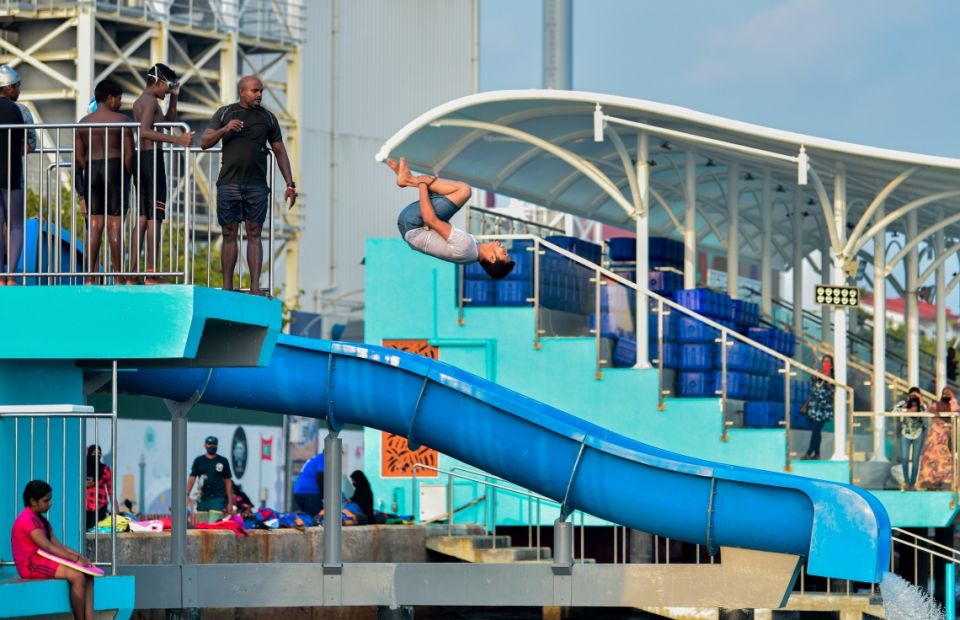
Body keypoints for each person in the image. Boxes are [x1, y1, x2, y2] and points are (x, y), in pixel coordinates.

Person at [200, 75, 296, 296]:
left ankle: (255, 288)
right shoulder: (225, 113)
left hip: (256, 186)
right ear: (242, 91)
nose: (259, 94)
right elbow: (204, 142)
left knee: (254, 234)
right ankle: (227, 288)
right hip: (229, 184)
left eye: (261, 90)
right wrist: (225, 130)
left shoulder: (268, 118)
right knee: (229, 234)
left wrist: (290, 184)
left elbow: (279, 151)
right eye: (254, 91)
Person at [386, 157, 514, 277]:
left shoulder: (467, 245)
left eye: (504, 253)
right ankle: (408, 179)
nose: (504, 248)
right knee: (449, 194)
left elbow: (430, 219)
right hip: (411, 228)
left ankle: (409, 180)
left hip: (412, 223)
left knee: (464, 190)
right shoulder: (470, 255)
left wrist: (422, 185)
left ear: (491, 258)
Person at [130, 63, 193, 284]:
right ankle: (150, 272)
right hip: (151, 161)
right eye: (168, 86)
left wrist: (174, 97)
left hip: (143, 160)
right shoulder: (148, 102)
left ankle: (133, 272)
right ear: (157, 82)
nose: (168, 91)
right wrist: (179, 140)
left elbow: (166, 124)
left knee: (144, 216)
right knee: (155, 216)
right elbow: (145, 130)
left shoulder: (143, 101)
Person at [75, 80, 135, 284]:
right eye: (119, 99)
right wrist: (127, 177)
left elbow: (79, 158)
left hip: (92, 170)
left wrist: (89, 171)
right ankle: (119, 276)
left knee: (94, 225)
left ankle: (89, 277)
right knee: (115, 225)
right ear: (110, 98)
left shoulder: (83, 123)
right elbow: (129, 156)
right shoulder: (122, 121)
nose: (119, 103)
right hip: (115, 169)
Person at [12, 480, 95, 620]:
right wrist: (75, 560)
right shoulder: (27, 519)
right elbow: (48, 547)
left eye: (50, 499)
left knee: (88, 574)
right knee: (77, 576)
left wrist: (81, 558)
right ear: (33, 501)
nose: (50, 503)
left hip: (43, 560)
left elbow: (59, 545)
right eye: (46, 500)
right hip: (31, 565)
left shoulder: (40, 520)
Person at [0, 64, 25, 286]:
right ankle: (11, 277)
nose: (19, 90)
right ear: (7, 87)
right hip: (10, 172)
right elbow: (24, 143)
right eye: (17, 86)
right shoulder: (16, 110)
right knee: (16, 225)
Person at [916, 386, 957, 491]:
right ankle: (930, 482)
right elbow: (929, 411)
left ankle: (945, 481)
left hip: (944, 438)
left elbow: (955, 411)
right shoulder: (936, 406)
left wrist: (953, 401)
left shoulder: (953, 405)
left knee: (945, 460)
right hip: (934, 437)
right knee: (930, 459)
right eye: (945, 394)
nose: (947, 396)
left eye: (949, 394)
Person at [186, 435, 233, 524]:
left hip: (217, 499)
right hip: (202, 499)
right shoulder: (199, 461)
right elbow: (192, 478)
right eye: (209, 444)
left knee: (214, 526)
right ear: (205, 445)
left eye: (214, 444)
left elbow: (228, 481)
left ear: (217, 446)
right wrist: (187, 494)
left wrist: (230, 502)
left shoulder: (223, 461)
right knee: (203, 527)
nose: (212, 446)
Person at [893, 386, 926, 491]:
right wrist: (906, 409)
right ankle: (906, 482)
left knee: (916, 460)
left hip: (918, 433)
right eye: (912, 395)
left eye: (916, 395)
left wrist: (920, 401)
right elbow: (893, 411)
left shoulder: (921, 405)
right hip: (905, 433)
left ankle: (912, 483)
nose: (913, 397)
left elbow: (926, 412)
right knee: (904, 458)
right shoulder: (904, 404)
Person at [802, 354, 835, 460]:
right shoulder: (819, 373)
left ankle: (809, 452)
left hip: (824, 408)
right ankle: (817, 453)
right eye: (824, 361)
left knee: (816, 429)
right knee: (817, 430)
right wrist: (815, 377)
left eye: (828, 362)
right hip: (814, 406)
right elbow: (814, 386)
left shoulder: (832, 375)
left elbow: (832, 391)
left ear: (832, 364)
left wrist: (829, 379)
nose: (826, 363)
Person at [84, 445, 117, 530]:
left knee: (95, 532)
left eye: (99, 453)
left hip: (99, 506)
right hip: (83, 507)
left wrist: (116, 509)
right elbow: (74, 485)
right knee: (83, 532)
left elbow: (111, 490)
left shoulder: (104, 469)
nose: (96, 455)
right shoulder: (82, 469)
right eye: (94, 453)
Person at [292, 452, 324, 517]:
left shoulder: (316, 458)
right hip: (310, 492)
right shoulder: (324, 458)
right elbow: (320, 475)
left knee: (309, 517)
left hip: (299, 491)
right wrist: (323, 495)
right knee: (315, 519)